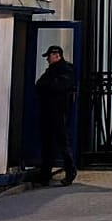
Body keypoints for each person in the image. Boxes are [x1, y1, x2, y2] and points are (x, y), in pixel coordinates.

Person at [35, 44, 78, 187]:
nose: (47, 59)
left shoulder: (66, 69)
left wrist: (48, 86)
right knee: (49, 143)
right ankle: (45, 175)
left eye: (49, 56)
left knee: (61, 142)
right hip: (50, 110)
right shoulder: (52, 70)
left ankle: (70, 171)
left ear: (56, 55)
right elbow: (39, 85)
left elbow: (58, 86)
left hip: (59, 111)